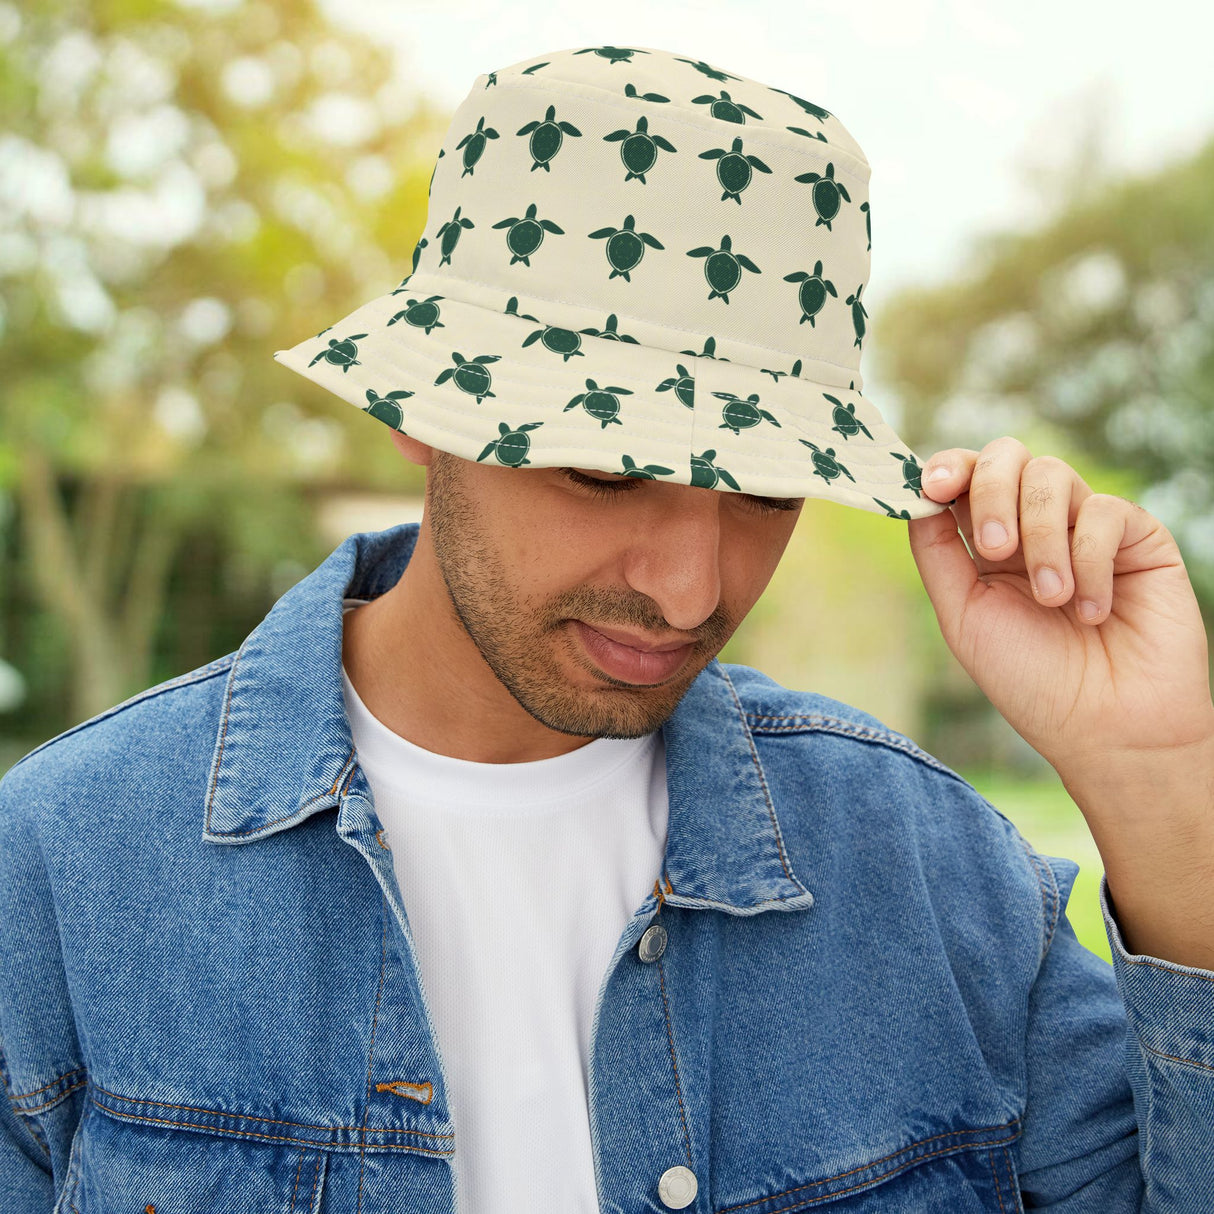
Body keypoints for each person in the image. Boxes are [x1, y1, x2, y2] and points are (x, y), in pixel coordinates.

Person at [2, 41, 1212, 1214]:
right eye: (602, 471)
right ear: (421, 414)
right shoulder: (63, 869)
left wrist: (1158, 784)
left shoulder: (929, 867)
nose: (691, 592)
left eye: (761, 493)